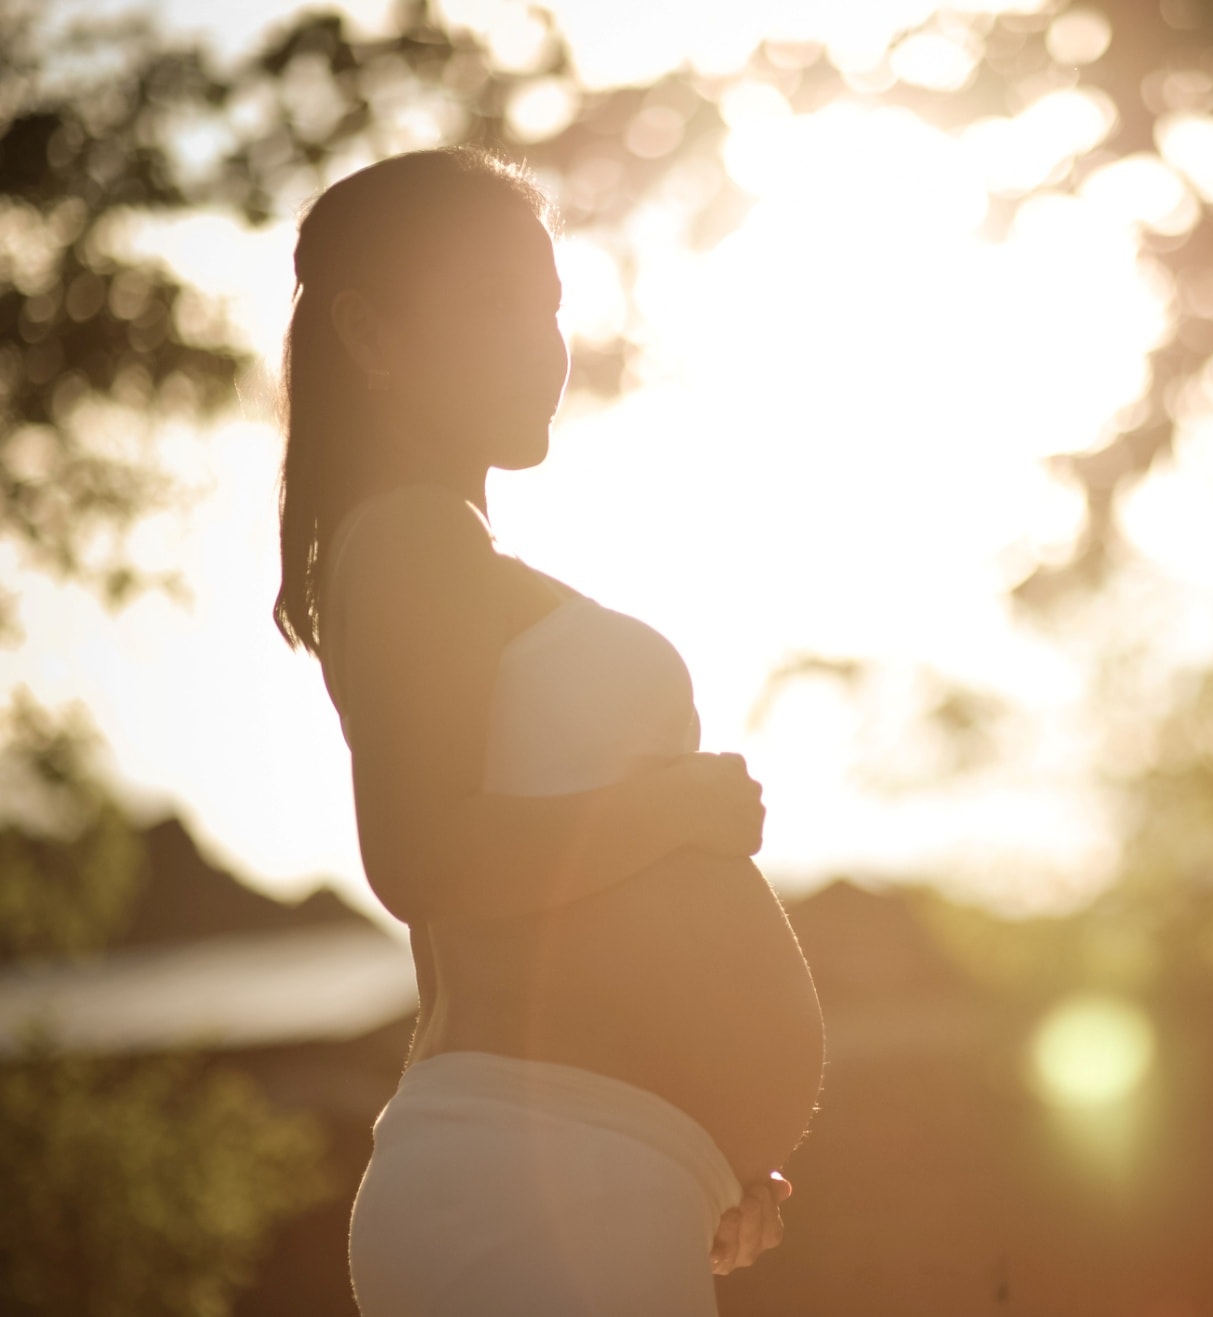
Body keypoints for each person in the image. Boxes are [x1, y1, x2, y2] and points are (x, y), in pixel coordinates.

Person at [273, 147, 826, 1315]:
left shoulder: (435, 554)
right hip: (540, 1190)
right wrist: (674, 805)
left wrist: (707, 1142)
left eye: (550, 304)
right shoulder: (411, 542)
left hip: (589, 1180)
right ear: (373, 337)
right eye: (493, 303)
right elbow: (424, 859)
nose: (543, 343)